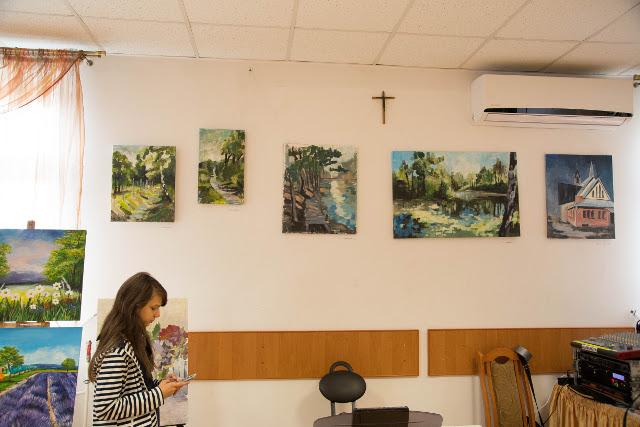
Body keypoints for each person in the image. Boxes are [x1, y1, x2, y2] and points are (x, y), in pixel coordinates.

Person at [89, 272, 188, 426]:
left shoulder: (132, 342)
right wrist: (159, 393)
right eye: (153, 308)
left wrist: (160, 385)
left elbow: (134, 388)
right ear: (134, 305)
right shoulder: (117, 351)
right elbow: (105, 408)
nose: (158, 314)